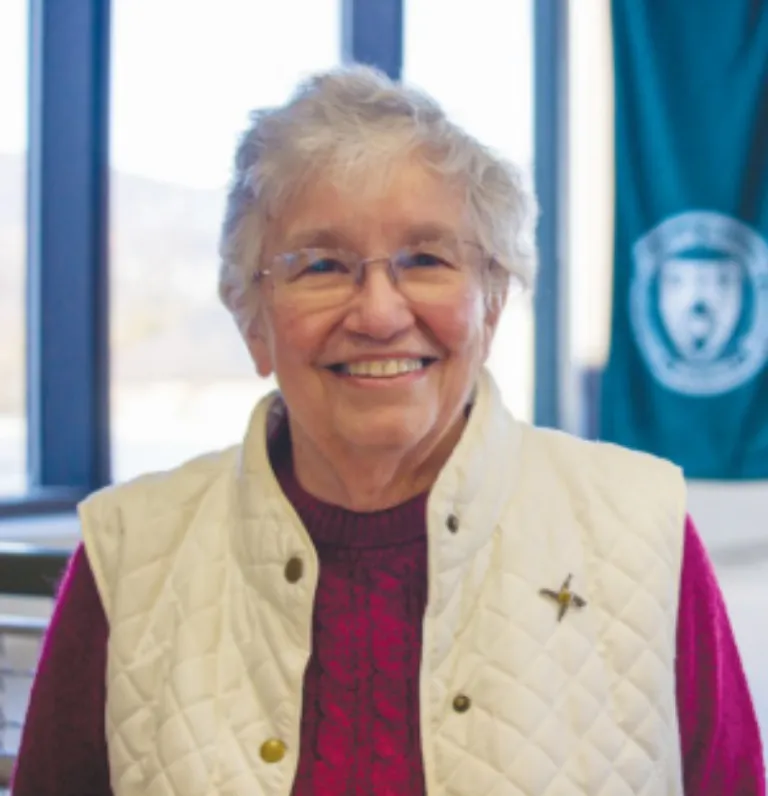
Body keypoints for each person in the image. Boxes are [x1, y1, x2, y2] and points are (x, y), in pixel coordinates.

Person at [12, 66, 765, 796]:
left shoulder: (640, 530)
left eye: (426, 258)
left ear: (493, 301)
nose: (378, 313)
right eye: (320, 266)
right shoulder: (130, 553)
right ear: (252, 318)